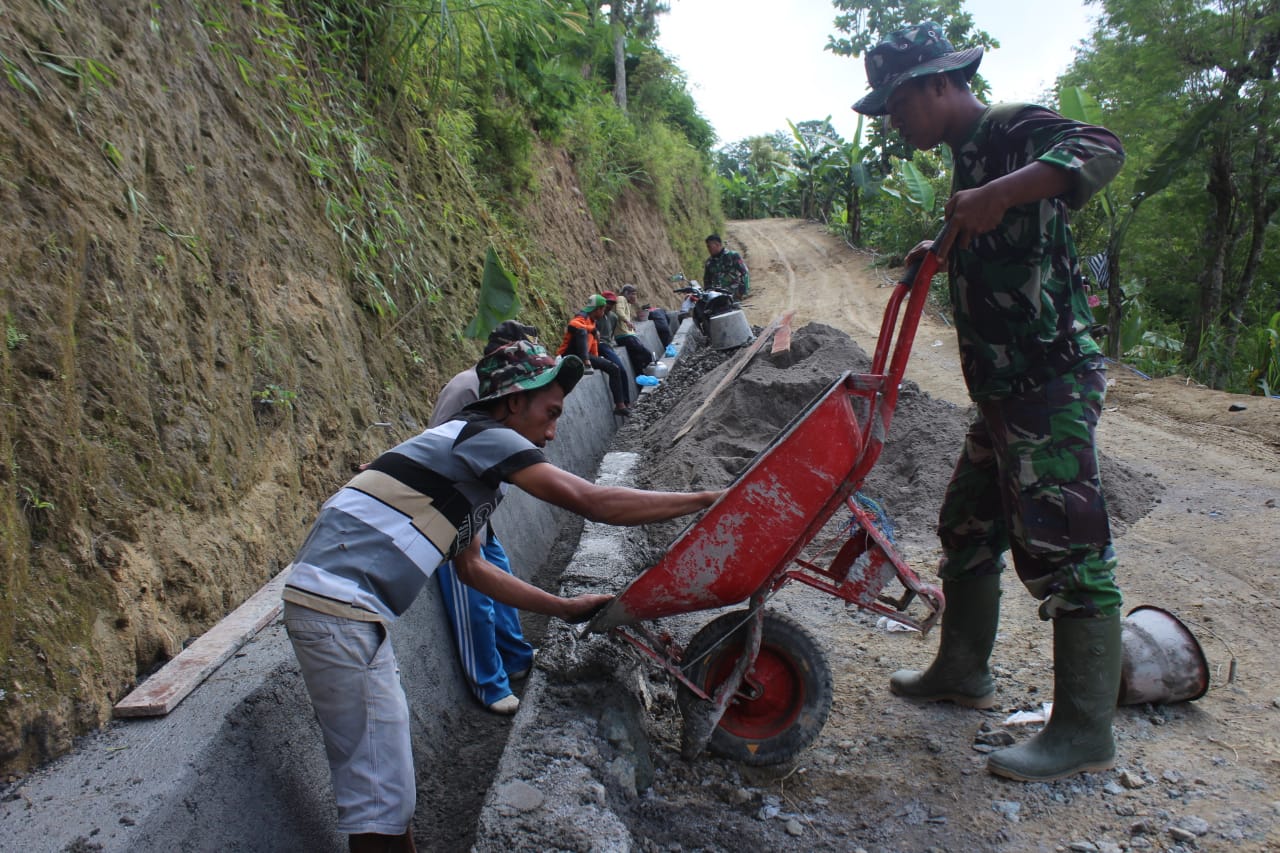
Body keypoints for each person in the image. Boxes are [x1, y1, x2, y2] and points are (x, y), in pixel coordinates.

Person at [283, 340, 722, 851]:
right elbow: (591, 501)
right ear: (514, 401)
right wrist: (707, 500)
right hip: (340, 607)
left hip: (348, 610)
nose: (554, 431)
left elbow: (472, 569)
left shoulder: (467, 465)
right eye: (550, 413)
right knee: (379, 792)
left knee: (387, 781)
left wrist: (562, 608)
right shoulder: (484, 437)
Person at [853, 21, 1126, 783]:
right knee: (967, 525)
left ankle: (1083, 731)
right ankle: (964, 670)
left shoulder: (1008, 131)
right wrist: (937, 247)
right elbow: (993, 230)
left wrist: (1000, 191)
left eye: (899, 103)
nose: (895, 121)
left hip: (1050, 384)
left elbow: (1101, 147)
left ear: (939, 84)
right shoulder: (964, 157)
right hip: (1003, 394)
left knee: (1069, 551)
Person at [429, 320, 538, 716]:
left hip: (480, 499)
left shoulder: (502, 391)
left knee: (501, 574)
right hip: (450, 504)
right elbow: (448, 459)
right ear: (504, 356)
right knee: (473, 595)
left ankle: (516, 658)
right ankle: (489, 685)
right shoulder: (468, 389)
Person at [557, 294, 630, 417]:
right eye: (603, 309)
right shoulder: (582, 317)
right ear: (599, 309)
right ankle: (586, 364)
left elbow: (594, 344)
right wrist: (592, 330)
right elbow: (572, 325)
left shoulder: (592, 322)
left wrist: (596, 358)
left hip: (585, 355)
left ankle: (620, 405)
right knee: (581, 331)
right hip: (569, 355)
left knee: (614, 368)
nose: (604, 312)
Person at [602, 289, 654, 376]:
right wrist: (628, 322)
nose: (635, 297)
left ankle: (641, 378)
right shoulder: (621, 298)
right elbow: (619, 311)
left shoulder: (626, 304)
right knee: (646, 354)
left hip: (627, 335)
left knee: (636, 359)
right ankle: (649, 372)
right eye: (633, 294)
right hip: (624, 336)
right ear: (627, 294)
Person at [623, 283, 673, 348]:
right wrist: (666, 324)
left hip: (658, 327)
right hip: (665, 326)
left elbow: (648, 319)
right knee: (668, 342)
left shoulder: (650, 312)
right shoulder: (659, 309)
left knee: (663, 343)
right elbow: (668, 318)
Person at [702, 234, 750, 299]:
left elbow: (744, 272)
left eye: (709, 246)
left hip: (733, 295)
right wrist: (707, 294)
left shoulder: (732, 256)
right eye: (707, 247)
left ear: (717, 244)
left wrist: (742, 291)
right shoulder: (709, 262)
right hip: (716, 297)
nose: (708, 249)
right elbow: (707, 281)